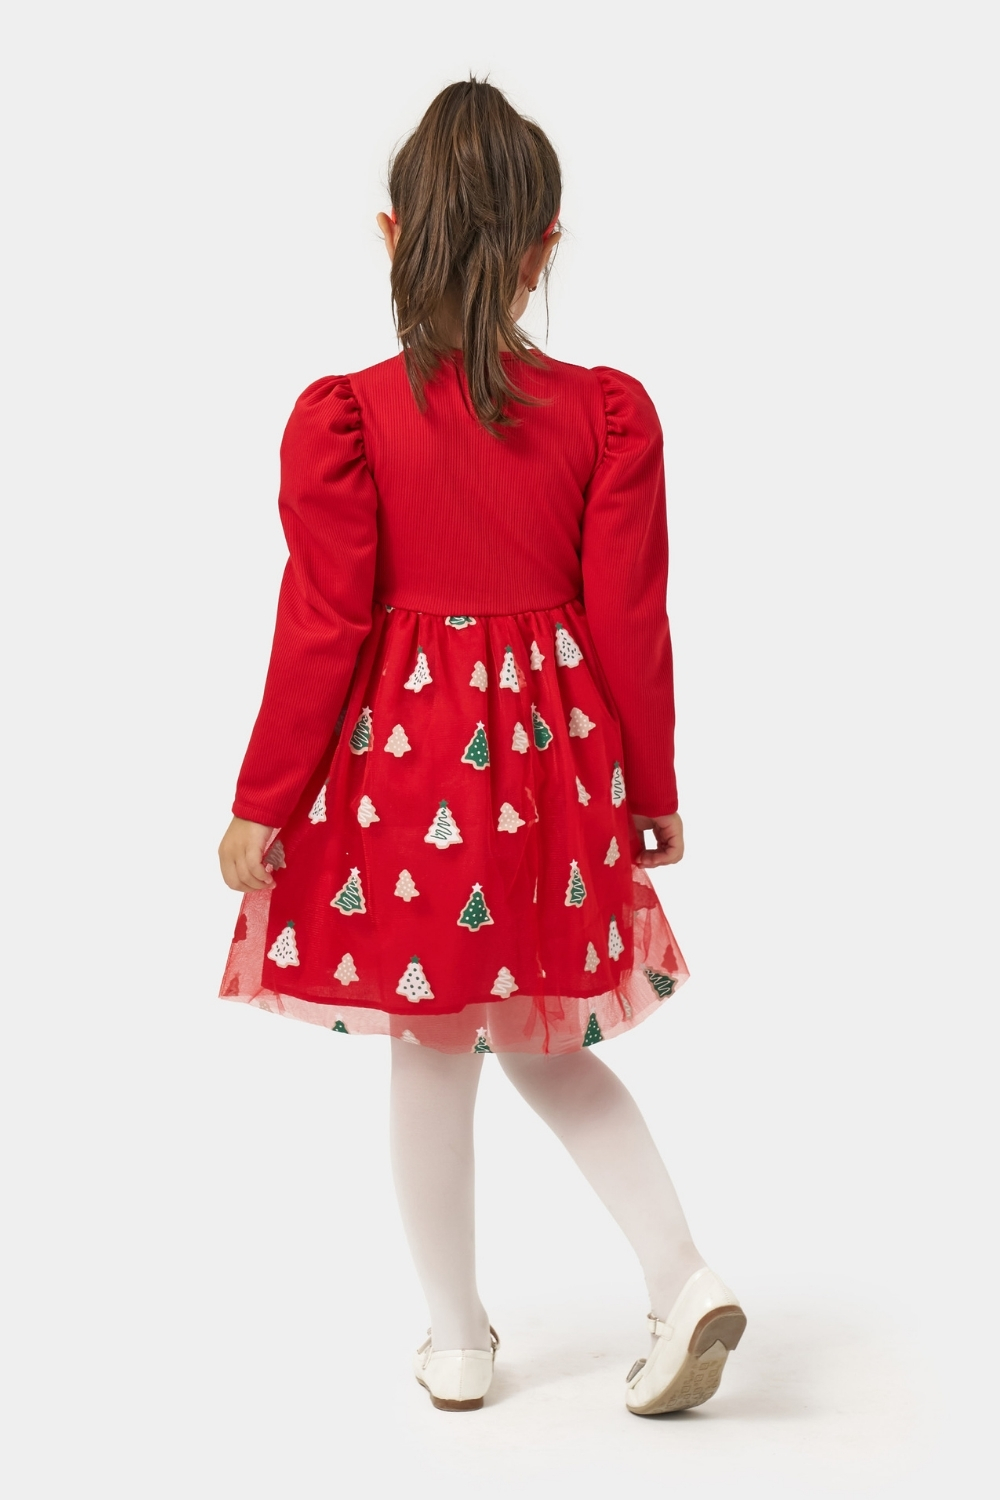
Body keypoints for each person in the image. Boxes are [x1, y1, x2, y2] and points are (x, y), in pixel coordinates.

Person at [217, 78, 745, 1416]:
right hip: (553, 774)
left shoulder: (347, 419)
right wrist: (653, 785)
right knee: (549, 1046)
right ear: (544, 248)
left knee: (433, 1049)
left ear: (392, 235)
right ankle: (681, 1276)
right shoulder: (606, 414)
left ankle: (457, 1341)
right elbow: (630, 618)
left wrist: (263, 801)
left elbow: (325, 622)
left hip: (409, 779)